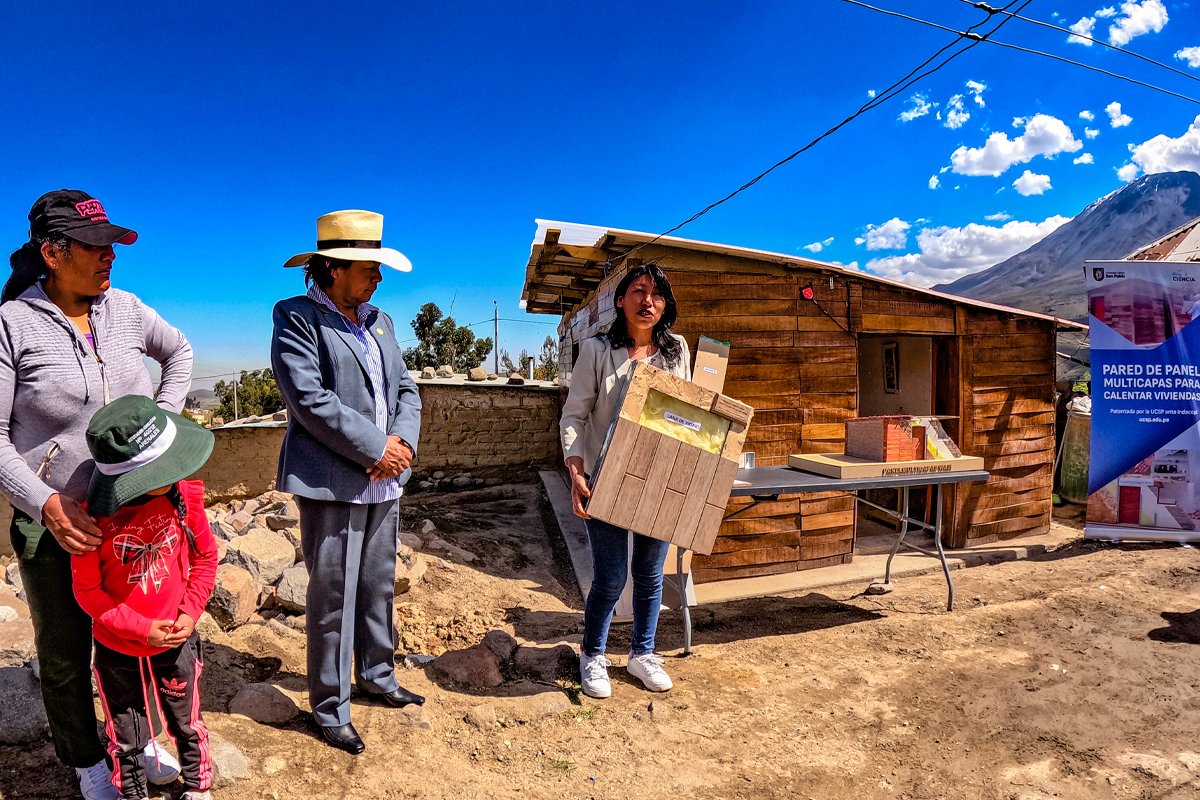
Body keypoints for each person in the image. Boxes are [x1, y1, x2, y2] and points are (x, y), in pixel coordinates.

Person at [0, 190, 193, 800]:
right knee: (64, 654)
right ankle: (86, 762)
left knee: (137, 637)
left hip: (136, 513)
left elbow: (180, 353)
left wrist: (157, 437)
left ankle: (140, 742)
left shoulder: (129, 311)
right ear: (52, 253)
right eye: (95, 245)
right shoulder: (13, 326)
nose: (110, 257)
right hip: (57, 524)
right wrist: (47, 503)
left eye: (113, 245)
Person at [271, 209, 423, 755]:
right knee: (334, 593)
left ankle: (377, 676)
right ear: (334, 269)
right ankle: (330, 706)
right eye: (369, 267)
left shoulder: (378, 320)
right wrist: (376, 448)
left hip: (386, 479)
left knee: (378, 583)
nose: (378, 278)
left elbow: (405, 387)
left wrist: (400, 443)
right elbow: (310, 400)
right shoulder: (296, 318)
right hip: (334, 478)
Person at [72, 395, 218, 800]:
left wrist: (190, 613)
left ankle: (198, 785)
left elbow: (205, 556)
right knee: (125, 732)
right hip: (118, 651)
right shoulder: (92, 521)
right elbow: (88, 592)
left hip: (176, 639)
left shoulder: (183, 495)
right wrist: (139, 628)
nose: (182, 468)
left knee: (186, 721)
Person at [559, 263, 691, 699]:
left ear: (665, 304)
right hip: (606, 478)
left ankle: (642, 653)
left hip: (658, 480)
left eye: (656, 294)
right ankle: (593, 654)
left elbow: (689, 417)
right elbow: (575, 415)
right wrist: (577, 470)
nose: (647, 301)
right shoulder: (597, 350)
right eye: (638, 291)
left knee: (650, 574)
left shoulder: (676, 352)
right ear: (621, 300)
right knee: (612, 577)